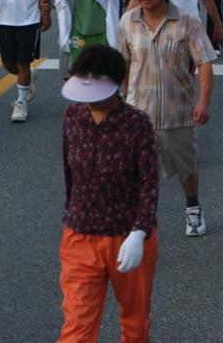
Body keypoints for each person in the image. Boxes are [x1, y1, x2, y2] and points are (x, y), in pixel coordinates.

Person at [58, 44, 159, 343]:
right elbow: (69, 173)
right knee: (77, 327)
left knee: (135, 324)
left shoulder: (137, 124)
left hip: (127, 236)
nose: (89, 101)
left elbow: (150, 184)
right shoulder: (72, 116)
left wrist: (139, 233)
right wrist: (72, 213)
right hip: (80, 235)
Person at [120, 0, 217, 237]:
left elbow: (205, 63)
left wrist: (203, 102)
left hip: (177, 113)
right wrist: (123, 99)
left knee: (186, 169)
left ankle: (193, 206)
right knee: (134, 171)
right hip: (138, 115)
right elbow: (123, 62)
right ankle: (139, 219)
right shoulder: (127, 21)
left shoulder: (187, 21)